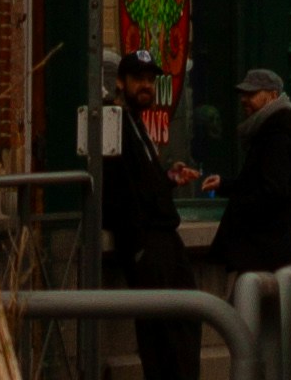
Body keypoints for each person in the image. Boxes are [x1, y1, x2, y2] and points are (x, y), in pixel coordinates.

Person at [102, 60, 198, 380]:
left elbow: (142, 181)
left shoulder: (136, 122)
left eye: (150, 79)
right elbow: (117, 188)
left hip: (164, 237)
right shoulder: (114, 120)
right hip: (146, 241)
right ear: (121, 82)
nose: (146, 85)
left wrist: (167, 179)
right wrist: (139, 243)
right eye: (138, 79)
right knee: (161, 333)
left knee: (184, 323)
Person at [207, 68, 291, 286]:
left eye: (252, 94)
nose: (244, 99)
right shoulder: (268, 130)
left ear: (273, 95)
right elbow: (257, 182)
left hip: (263, 252)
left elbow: (273, 191)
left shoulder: (276, 136)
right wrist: (224, 185)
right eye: (243, 94)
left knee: (247, 303)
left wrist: (241, 205)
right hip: (262, 251)